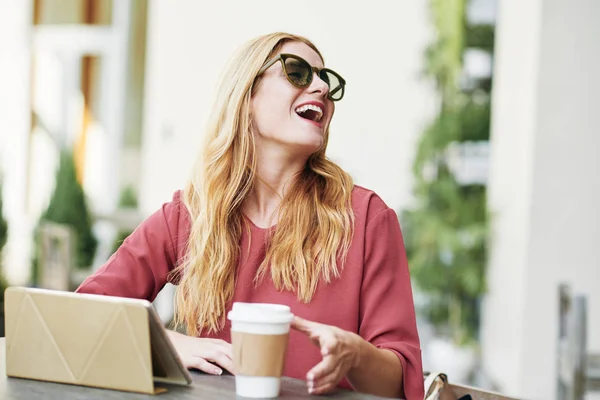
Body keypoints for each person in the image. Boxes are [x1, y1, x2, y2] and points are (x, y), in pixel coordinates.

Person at [76, 32, 424, 399]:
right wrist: (163, 342)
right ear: (247, 94)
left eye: (326, 79)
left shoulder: (367, 219)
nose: (321, 87)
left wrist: (355, 354)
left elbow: (402, 383)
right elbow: (81, 314)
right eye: (298, 72)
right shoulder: (191, 215)